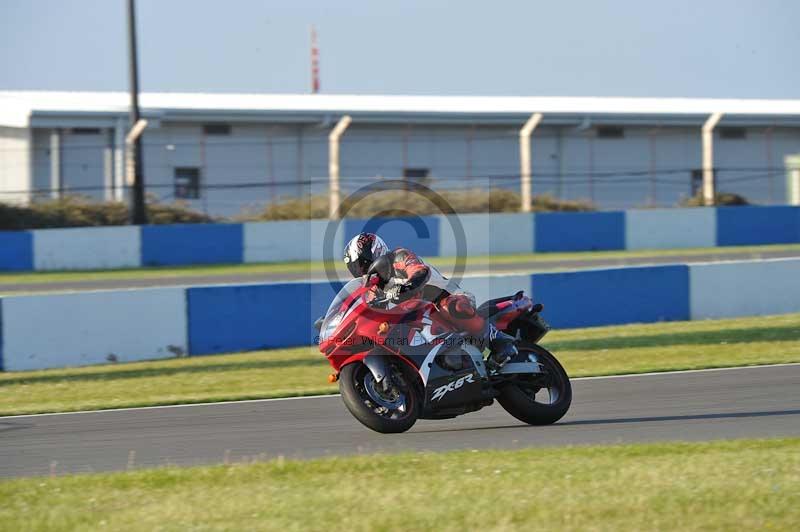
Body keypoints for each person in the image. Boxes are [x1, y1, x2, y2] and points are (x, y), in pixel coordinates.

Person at [343, 232, 518, 366]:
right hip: (418, 317)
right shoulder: (373, 289)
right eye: (355, 267)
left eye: (363, 263)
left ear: (376, 251)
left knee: (452, 306)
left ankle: (498, 340)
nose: (361, 270)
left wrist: (408, 285)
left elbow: (420, 271)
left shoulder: (398, 256)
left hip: (446, 299)